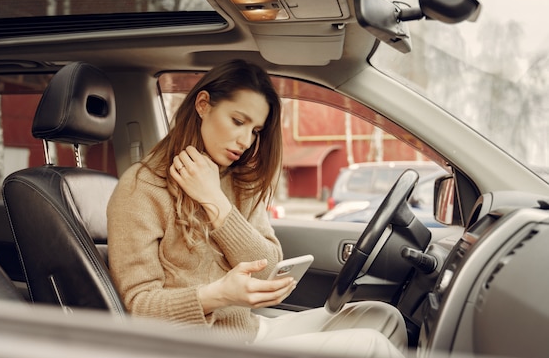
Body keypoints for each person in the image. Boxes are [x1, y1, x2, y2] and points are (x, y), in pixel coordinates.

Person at [107, 59, 407, 357]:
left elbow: (266, 270)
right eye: (238, 121)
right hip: (197, 347)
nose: (246, 141)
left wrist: (216, 202)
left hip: (249, 331)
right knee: (372, 347)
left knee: (384, 317)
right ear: (203, 105)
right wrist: (217, 296)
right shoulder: (140, 189)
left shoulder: (237, 181)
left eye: (255, 130)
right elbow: (139, 307)